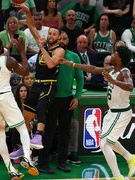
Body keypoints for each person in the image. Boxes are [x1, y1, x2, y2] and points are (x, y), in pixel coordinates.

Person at [61, 45, 135, 179]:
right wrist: (72, 64)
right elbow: (93, 69)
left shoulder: (124, 71)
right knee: (109, 141)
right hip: (113, 112)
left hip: (121, 112)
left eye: (115, 54)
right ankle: (131, 158)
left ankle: (117, 176)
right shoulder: (112, 69)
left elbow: (130, 87)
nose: (112, 55)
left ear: (120, 58)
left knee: (104, 143)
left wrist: (113, 81)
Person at [0, 36, 39, 179]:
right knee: (22, 127)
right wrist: (22, 52)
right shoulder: (9, 61)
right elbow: (25, 71)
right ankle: (27, 157)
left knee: (0, 135)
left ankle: (11, 169)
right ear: (1, 48)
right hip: (5, 97)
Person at [14, 3, 65, 149]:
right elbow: (31, 27)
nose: (50, 36)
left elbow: (50, 64)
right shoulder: (44, 43)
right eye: (49, 33)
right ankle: (24, 145)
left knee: (41, 107)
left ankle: (38, 137)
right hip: (37, 84)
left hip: (49, 84)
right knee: (26, 115)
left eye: (54, 34)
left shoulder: (59, 50)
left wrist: (41, 47)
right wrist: (28, 12)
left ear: (59, 37)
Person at [37, 31, 84, 173]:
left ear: (68, 40)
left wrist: (77, 96)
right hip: (52, 97)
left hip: (67, 99)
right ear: (57, 39)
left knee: (65, 132)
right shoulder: (51, 53)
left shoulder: (74, 56)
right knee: (49, 131)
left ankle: (62, 162)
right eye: (60, 38)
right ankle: (42, 162)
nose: (62, 40)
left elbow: (80, 78)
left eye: (65, 38)